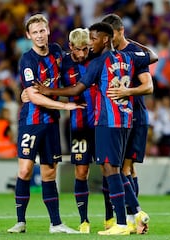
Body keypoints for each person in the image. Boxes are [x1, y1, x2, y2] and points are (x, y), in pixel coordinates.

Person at [34, 22, 154, 235]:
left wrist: (47, 90)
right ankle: (132, 214)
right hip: (125, 120)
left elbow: (77, 88)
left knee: (111, 170)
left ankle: (126, 219)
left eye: (93, 39)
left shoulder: (98, 62)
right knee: (115, 169)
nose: (89, 44)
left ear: (105, 39)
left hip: (106, 121)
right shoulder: (128, 58)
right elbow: (150, 56)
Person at [7, 14, 82, 234]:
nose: (39, 35)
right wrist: (66, 106)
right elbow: (34, 97)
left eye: (42, 30)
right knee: (25, 169)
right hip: (31, 121)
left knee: (49, 173)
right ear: (28, 36)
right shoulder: (27, 60)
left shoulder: (58, 52)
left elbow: (72, 70)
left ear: (48, 31)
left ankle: (56, 224)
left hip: (51, 123)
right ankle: (20, 221)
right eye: (35, 32)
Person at [101, 13, 156, 233]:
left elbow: (149, 85)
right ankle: (133, 219)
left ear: (121, 31)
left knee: (124, 168)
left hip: (135, 116)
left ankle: (135, 215)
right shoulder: (110, 54)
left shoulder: (134, 55)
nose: (106, 39)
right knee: (127, 169)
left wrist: (127, 91)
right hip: (120, 117)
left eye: (110, 35)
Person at [60, 28, 97, 233]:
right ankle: (84, 221)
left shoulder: (98, 57)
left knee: (110, 169)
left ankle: (111, 219)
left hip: (101, 121)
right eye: (78, 50)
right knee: (81, 171)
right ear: (70, 47)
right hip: (79, 124)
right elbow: (57, 88)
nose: (82, 54)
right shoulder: (64, 63)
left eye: (86, 49)